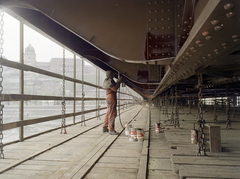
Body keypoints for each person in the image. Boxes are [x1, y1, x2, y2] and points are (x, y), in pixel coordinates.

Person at [102, 70, 122, 135]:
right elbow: (114, 88)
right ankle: (111, 129)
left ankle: (105, 127)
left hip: (108, 97)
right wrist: (118, 82)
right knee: (112, 113)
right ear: (111, 74)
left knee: (108, 113)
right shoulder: (110, 81)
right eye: (113, 74)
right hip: (111, 97)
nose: (114, 75)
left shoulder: (106, 80)